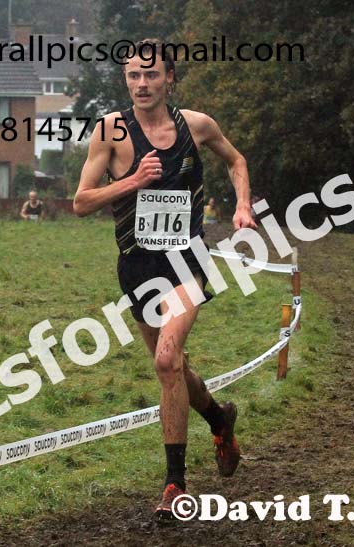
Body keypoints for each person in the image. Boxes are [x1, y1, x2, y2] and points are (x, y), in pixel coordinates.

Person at [72, 38, 257, 521]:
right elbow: (81, 201)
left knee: (167, 358)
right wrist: (133, 181)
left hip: (185, 261)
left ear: (169, 78)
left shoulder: (196, 126)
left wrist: (242, 205)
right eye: (133, 75)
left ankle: (175, 484)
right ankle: (219, 418)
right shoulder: (110, 132)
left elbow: (236, 161)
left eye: (151, 74)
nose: (142, 83)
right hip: (137, 267)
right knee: (172, 369)